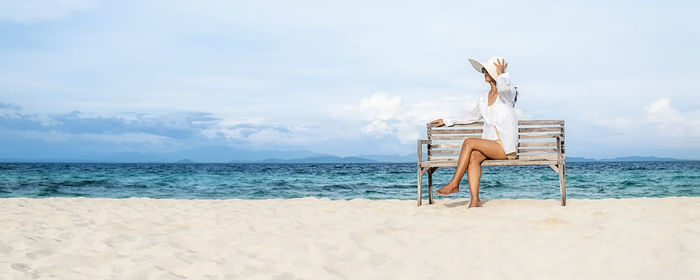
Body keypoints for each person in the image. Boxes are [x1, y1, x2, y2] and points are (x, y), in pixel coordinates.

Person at [430, 56, 518, 208]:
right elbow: (472, 116)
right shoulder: (484, 97)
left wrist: (502, 74)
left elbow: (503, 88)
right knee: (474, 157)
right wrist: (447, 120)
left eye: (487, 70)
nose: (484, 72)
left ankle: (454, 184)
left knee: (469, 142)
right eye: (483, 70)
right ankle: (475, 200)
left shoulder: (509, 94)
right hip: (491, 144)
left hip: (505, 147)